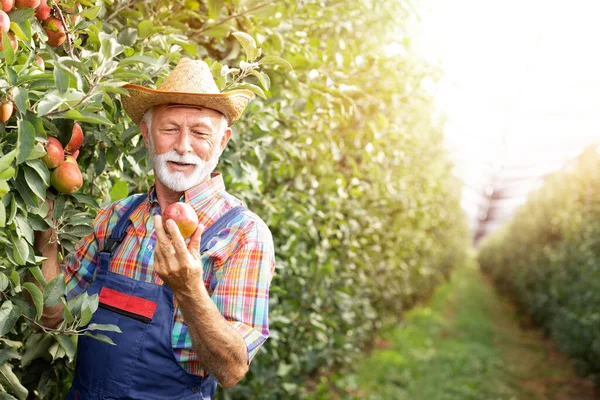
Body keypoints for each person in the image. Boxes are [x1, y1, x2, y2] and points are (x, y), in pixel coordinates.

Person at [34, 59, 276, 400]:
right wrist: (44, 226)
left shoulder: (242, 235)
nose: (184, 145)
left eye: (200, 133)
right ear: (146, 134)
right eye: (170, 129)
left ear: (222, 142)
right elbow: (52, 313)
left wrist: (189, 289)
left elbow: (231, 369)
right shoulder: (116, 218)